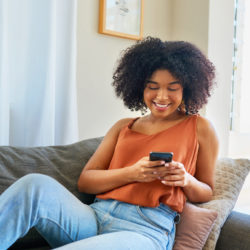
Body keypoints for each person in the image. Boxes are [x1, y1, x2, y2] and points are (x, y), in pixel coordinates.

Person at [0, 37, 219, 250]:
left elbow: (207, 191)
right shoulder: (123, 127)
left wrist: (186, 180)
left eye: (172, 88)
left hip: (144, 230)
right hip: (94, 217)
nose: (162, 96)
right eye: (153, 87)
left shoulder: (200, 128)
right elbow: (86, 182)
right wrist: (132, 173)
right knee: (34, 185)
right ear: (139, 87)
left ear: (187, 88)